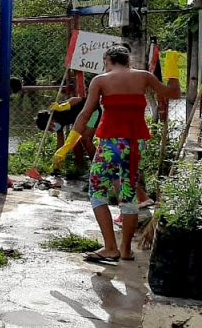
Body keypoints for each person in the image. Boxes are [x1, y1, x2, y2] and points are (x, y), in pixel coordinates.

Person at [56, 45, 182, 264]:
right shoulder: (144, 77)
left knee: (97, 192)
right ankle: (125, 249)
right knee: (129, 196)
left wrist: (68, 145)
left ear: (108, 61)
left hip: (110, 145)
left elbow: (85, 114)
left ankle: (110, 248)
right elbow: (174, 93)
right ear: (128, 61)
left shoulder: (101, 80)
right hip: (135, 145)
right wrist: (172, 66)